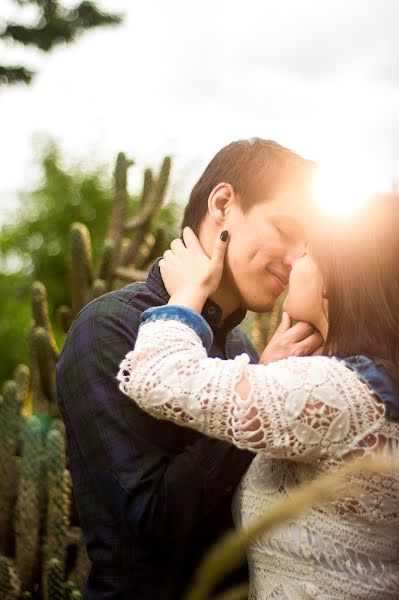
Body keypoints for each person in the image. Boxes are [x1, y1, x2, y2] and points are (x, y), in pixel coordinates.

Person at [56, 138, 321, 599]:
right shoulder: (109, 327)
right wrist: (260, 399)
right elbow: (151, 515)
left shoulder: (240, 346)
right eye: (284, 229)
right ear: (223, 204)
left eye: (308, 247)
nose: (297, 259)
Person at [117, 195, 399, 599]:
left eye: (306, 254)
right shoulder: (367, 386)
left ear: (335, 279)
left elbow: (159, 376)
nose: (291, 265)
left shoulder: (338, 392)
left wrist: (189, 292)